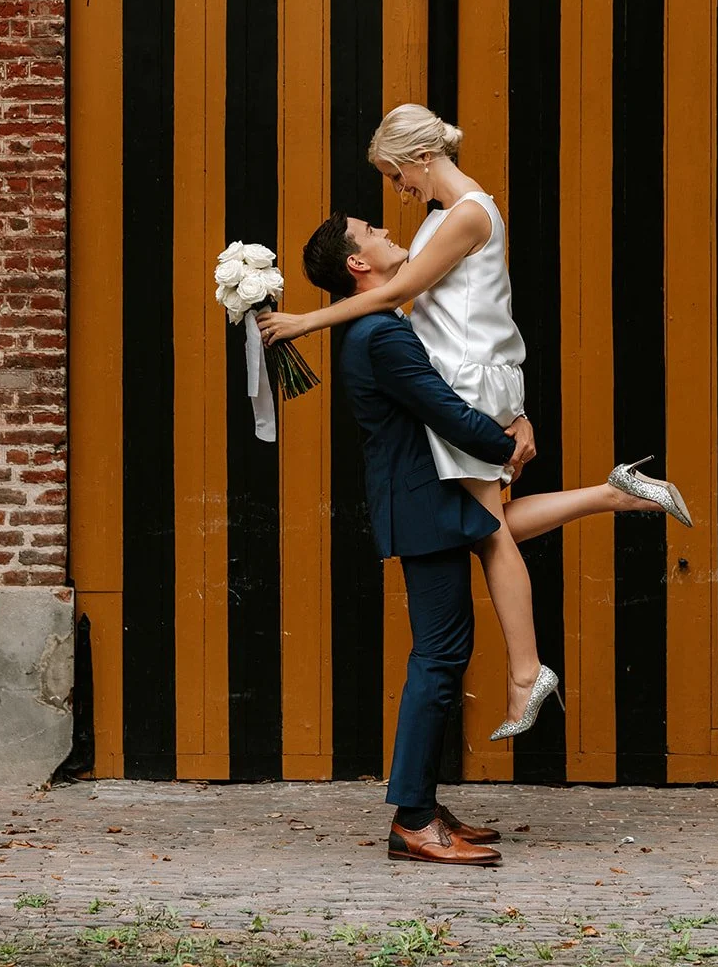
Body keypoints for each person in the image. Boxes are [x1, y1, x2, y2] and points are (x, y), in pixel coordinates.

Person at [261, 105, 692, 739]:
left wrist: (303, 323)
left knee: (487, 532)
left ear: (419, 159)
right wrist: (514, 408)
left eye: (393, 174)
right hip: (478, 375)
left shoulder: (466, 215)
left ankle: (527, 673)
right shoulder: (444, 218)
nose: (397, 190)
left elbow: (388, 294)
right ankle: (613, 494)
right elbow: (477, 311)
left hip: (463, 380)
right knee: (480, 525)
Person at [296, 212, 532, 864]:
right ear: (357, 264)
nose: (384, 230)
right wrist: (505, 443)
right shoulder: (378, 332)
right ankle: (414, 819)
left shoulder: (376, 325)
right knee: (438, 658)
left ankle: (422, 802)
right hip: (424, 504)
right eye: (370, 230)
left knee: (442, 656)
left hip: (425, 502)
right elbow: (443, 409)